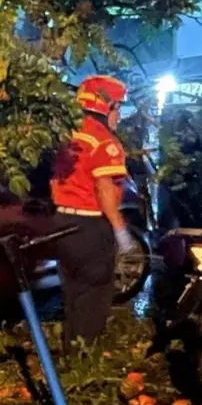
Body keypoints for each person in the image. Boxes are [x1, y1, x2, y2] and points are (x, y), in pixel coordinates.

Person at [49, 75, 143, 345]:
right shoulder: (104, 141)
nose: (120, 115)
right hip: (90, 226)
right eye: (118, 107)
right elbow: (104, 189)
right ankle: (84, 364)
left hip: (61, 223)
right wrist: (120, 231)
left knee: (73, 293)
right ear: (106, 106)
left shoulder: (67, 135)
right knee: (95, 293)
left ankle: (70, 354)